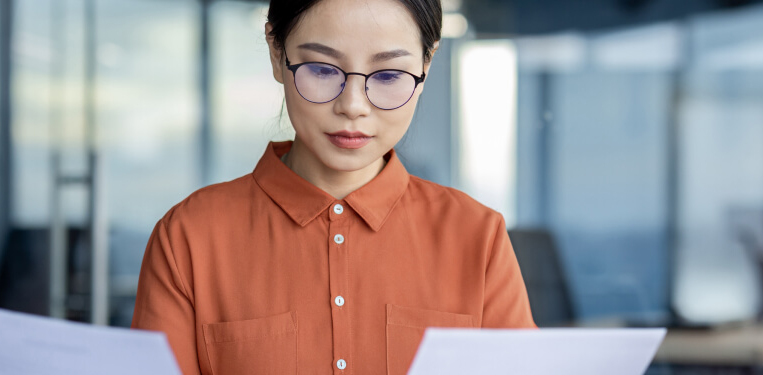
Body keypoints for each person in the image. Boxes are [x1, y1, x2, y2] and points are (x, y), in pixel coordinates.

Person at [130, 0, 536, 373]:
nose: (353, 105)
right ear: (276, 52)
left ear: (426, 66)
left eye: (390, 74)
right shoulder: (189, 237)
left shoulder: (477, 237)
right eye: (322, 70)